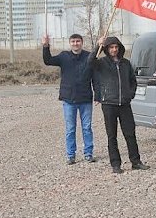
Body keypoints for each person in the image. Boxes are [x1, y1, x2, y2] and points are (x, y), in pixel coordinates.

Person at [88, 36, 149, 174]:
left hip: (125, 104)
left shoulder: (126, 63)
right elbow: (89, 61)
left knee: (130, 134)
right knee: (112, 136)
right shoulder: (101, 63)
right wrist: (98, 45)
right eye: (111, 47)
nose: (114, 49)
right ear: (107, 49)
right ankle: (115, 164)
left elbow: (133, 81)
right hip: (109, 104)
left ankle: (136, 161)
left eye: (116, 47)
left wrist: (130, 94)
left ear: (119, 48)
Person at [42, 33, 97, 165]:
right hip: (69, 99)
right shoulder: (63, 57)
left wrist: (98, 94)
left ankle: (88, 153)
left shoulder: (89, 57)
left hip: (85, 99)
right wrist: (45, 46)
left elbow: (96, 77)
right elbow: (48, 60)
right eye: (73, 41)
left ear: (82, 42)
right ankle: (70, 155)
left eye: (78, 41)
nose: (75, 43)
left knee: (87, 127)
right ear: (70, 43)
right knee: (70, 128)